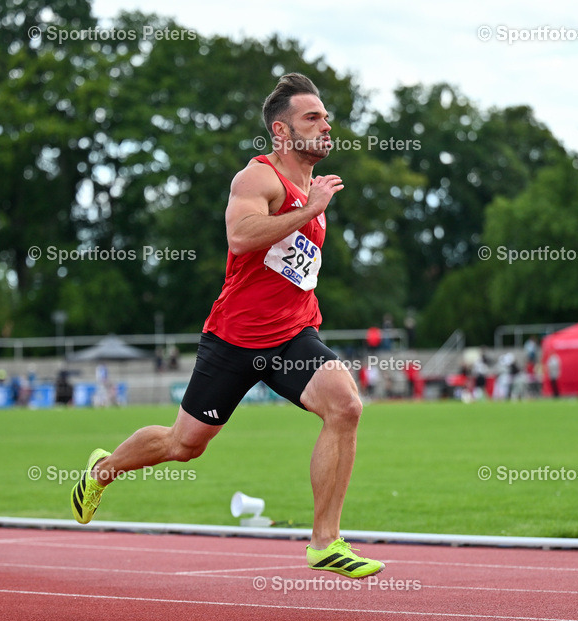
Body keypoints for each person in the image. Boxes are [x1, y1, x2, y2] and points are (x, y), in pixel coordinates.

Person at [70, 73, 382, 579]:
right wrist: (309, 211)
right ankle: (102, 469)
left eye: (326, 116)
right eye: (313, 117)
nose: (327, 125)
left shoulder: (312, 187)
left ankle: (325, 542)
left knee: (345, 406)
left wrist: (311, 206)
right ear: (281, 133)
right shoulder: (257, 179)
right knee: (184, 445)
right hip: (233, 339)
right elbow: (241, 238)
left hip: (292, 336)